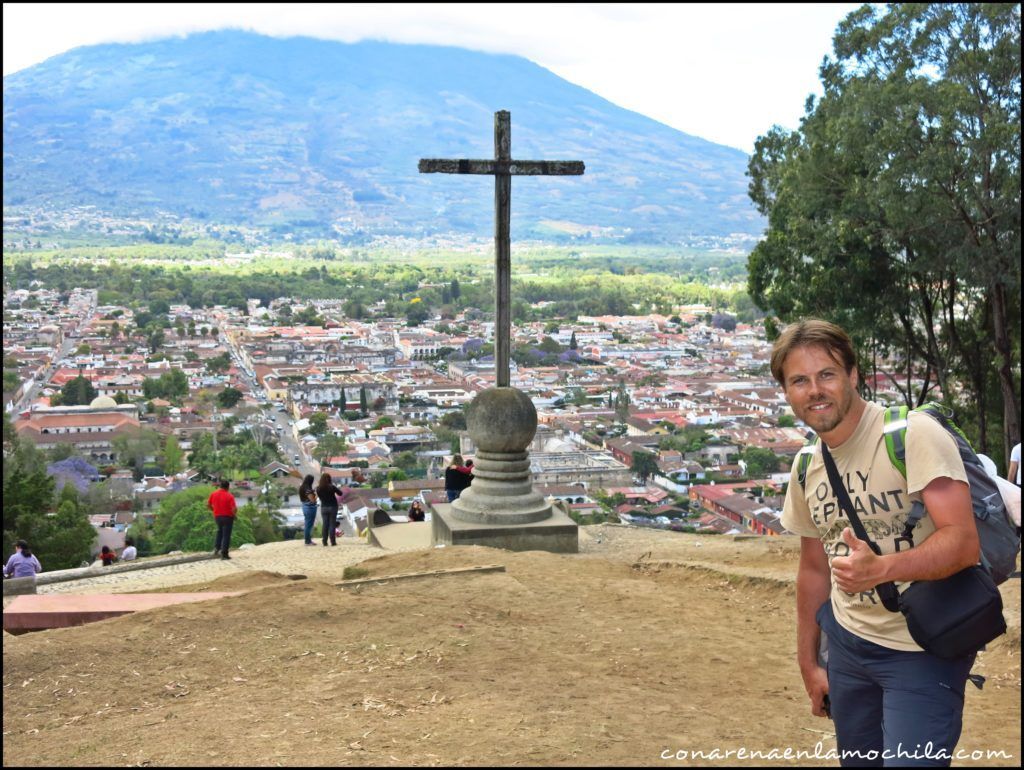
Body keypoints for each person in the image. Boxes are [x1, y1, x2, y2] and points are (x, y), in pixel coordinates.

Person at [773, 319, 979, 767]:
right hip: (849, 650)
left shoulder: (911, 435)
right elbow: (813, 569)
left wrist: (883, 569)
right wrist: (809, 664)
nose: (815, 391)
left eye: (826, 374)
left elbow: (963, 543)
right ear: (786, 392)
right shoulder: (806, 465)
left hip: (922, 649)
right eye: (799, 381)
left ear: (852, 375)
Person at [208, 479, 237, 559]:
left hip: (217, 517)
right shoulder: (229, 496)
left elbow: (208, 504)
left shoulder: (213, 494)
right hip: (227, 517)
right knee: (226, 535)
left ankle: (217, 548)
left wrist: (214, 510)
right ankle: (224, 554)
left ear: (220, 486)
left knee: (219, 532)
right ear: (227, 487)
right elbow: (234, 508)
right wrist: (234, 515)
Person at [316, 472, 348, 547]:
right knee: (332, 524)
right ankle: (333, 542)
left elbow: (320, 497)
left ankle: (324, 542)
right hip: (333, 507)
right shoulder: (332, 487)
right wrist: (336, 487)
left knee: (325, 525)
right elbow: (340, 493)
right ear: (329, 479)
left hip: (324, 507)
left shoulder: (318, 488)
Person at [299, 474, 319, 546]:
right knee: (308, 525)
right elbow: (313, 500)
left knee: (308, 524)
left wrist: (313, 490)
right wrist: (316, 494)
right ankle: (307, 541)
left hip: (305, 506)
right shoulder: (307, 489)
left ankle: (308, 540)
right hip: (310, 508)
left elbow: (307, 496)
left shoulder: (302, 487)